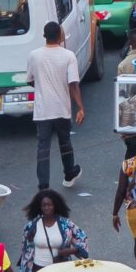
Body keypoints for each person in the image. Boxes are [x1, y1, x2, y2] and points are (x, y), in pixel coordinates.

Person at [29, 20, 84, 191]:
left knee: (43, 148)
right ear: (60, 35)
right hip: (62, 109)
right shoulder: (69, 56)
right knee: (65, 142)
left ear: (44, 36)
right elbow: (73, 84)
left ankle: (43, 185)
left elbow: (30, 80)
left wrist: (42, 87)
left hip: (42, 111)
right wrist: (80, 107)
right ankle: (69, 173)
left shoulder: (34, 55)